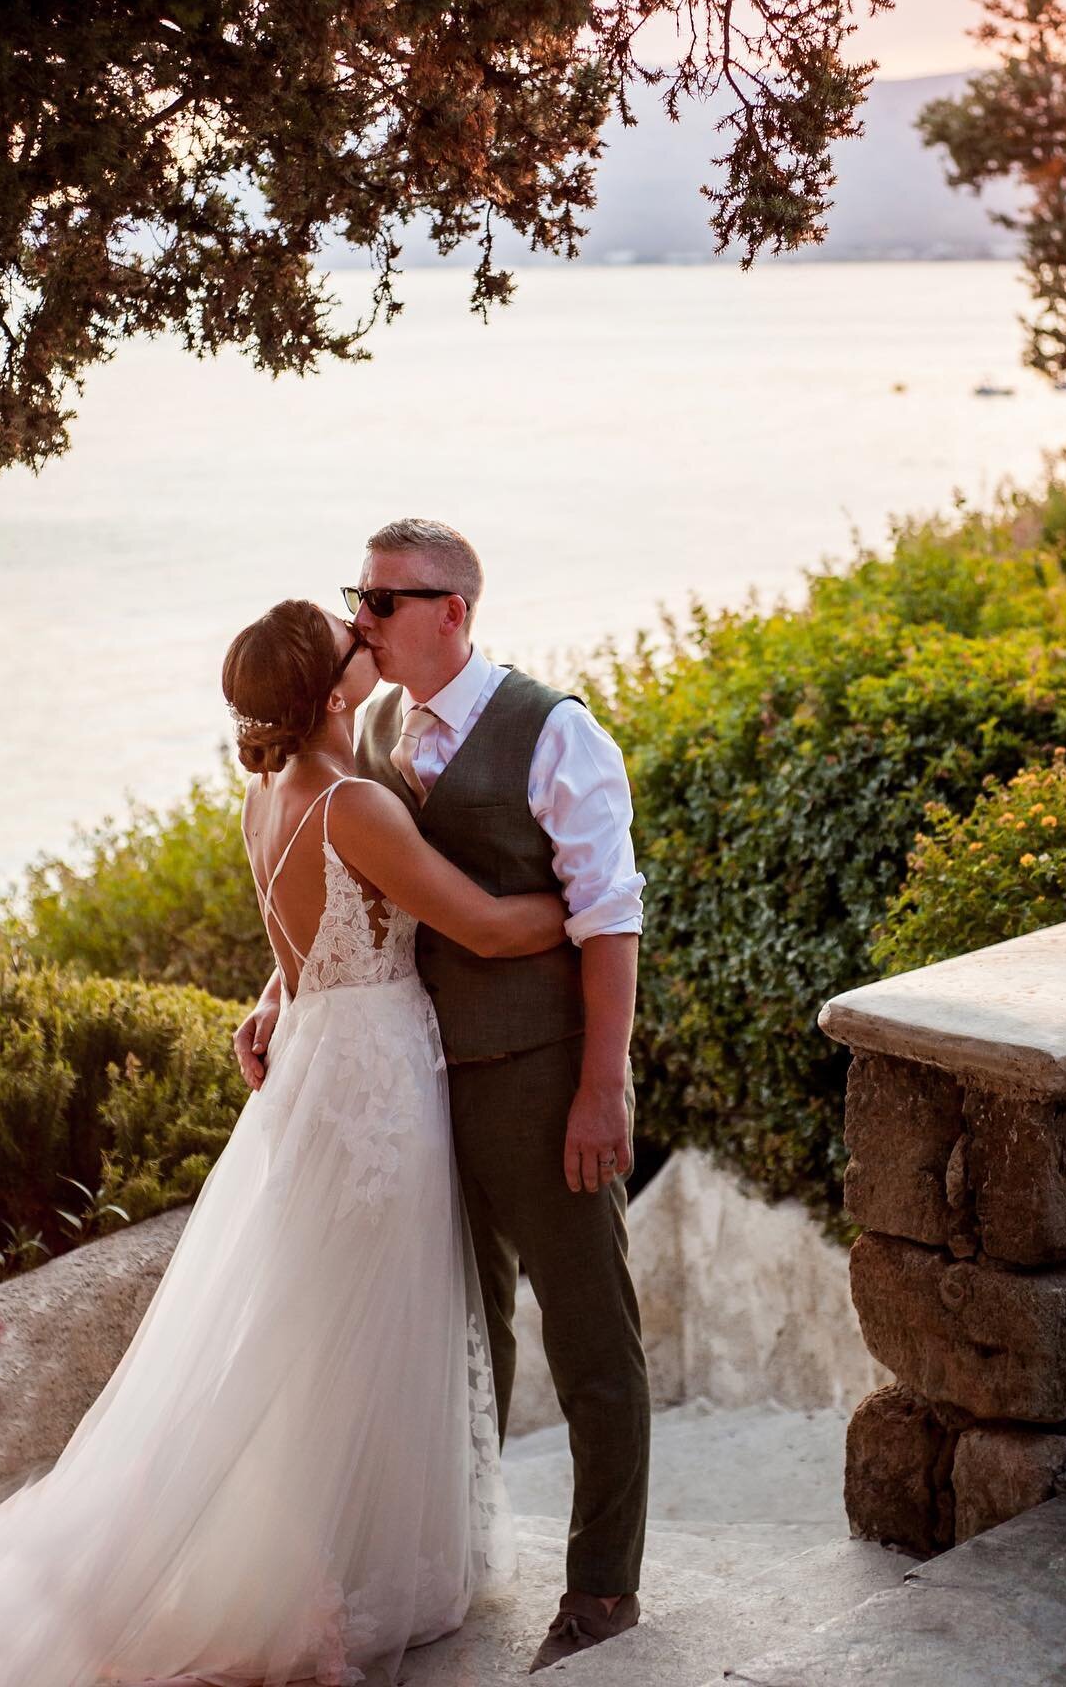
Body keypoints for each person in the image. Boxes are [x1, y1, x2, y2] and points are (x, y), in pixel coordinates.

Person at [0, 597, 568, 1687]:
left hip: (319, 1061)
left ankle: (344, 1561)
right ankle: (340, 1580)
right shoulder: (352, 801)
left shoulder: (270, 792)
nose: (369, 639)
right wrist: (590, 908)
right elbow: (485, 926)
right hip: (374, 1084)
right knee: (370, 1324)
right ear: (333, 688)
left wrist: (271, 997)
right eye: (352, 640)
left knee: (321, 1332)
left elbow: (308, 934)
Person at [236, 518, 650, 1674]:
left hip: (534, 1079)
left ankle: (604, 1591)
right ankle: (458, 1558)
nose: (361, 619)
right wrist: (283, 986)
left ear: (450, 610)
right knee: (464, 1335)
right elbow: (353, 889)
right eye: (354, 600)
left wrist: (600, 1087)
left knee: (591, 1337)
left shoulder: (556, 731)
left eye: (380, 600)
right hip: (410, 1091)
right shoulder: (367, 726)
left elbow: (611, 916)